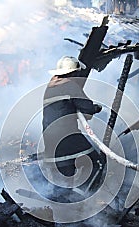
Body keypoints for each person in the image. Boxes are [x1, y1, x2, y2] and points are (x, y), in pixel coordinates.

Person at [42, 56, 102, 202]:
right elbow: (87, 107)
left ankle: (64, 207)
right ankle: (84, 198)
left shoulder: (50, 86)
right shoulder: (70, 85)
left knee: (65, 174)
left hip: (49, 138)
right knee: (97, 162)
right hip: (67, 136)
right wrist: (96, 108)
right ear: (73, 73)